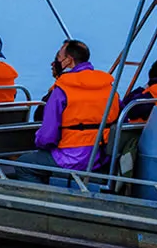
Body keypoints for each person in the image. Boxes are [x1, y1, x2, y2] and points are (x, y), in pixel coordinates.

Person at [13, 39, 119, 184]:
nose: (54, 62)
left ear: (68, 61)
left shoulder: (62, 90)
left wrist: (39, 143)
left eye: (57, 58)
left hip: (70, 158)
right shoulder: (109, 88)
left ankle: (41, 200)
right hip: (100, 157)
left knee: (24, 164)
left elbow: (47, 137)